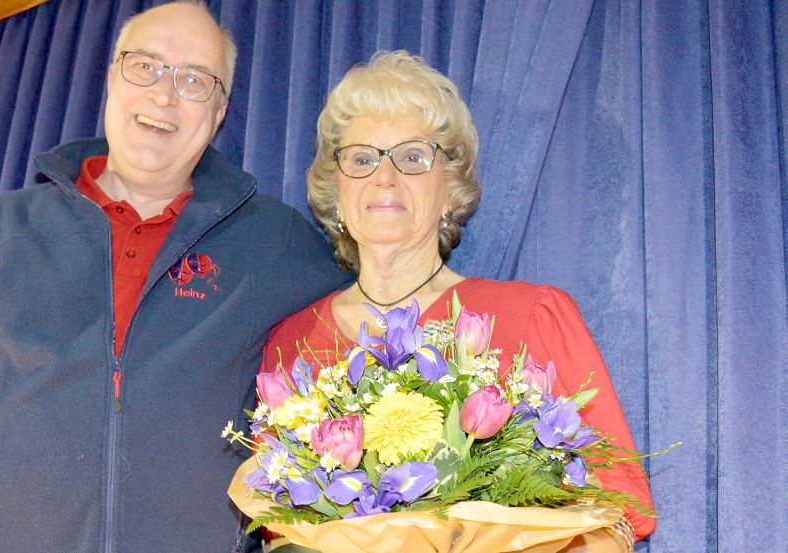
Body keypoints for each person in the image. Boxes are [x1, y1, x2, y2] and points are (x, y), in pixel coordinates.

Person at [0, 2, 347, 552]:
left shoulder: (278, 245)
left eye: (195, 80)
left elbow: (360, 381)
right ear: (111, 78)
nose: (164, 94)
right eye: (146, 66)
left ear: (221, 110)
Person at [259, 51, 654, 550]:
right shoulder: (291, 346)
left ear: (449, 189)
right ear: (335, 194)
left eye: (412, 157)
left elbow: (616, 511)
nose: (385, 177)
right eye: (362, 158)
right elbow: (277, 528)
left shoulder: (530, 316)